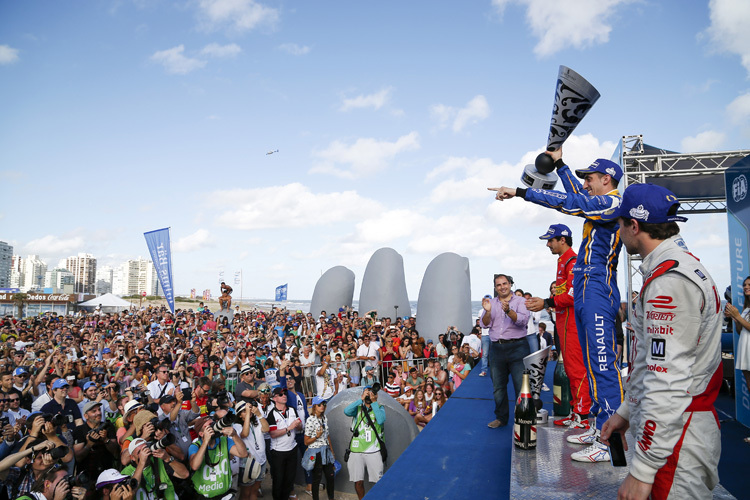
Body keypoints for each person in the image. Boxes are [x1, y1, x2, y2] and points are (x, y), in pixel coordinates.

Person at [491, 151, 624, 461]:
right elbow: (578, 197)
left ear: (607, 180)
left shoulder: (612, 204)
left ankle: (610, 444)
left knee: (602, 366)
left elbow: (572, 202)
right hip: (589, 290)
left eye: (589, 179)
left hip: (598, 289)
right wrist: (561, 165)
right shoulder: (601, 206)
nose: (585, 184)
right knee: (592, 367)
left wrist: (522, 192)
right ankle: (597, 426)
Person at [601, 183, 723, 498]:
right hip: (672, 431)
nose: (618, 230)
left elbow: (666, 380)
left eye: (620, 223)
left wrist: (642, 471)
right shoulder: (673, 268)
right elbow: (651, 362)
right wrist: (626, 412)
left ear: (634, 225)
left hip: (676, 437)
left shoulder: (669, 281)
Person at [526, 224, 591, 430]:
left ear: (562, 240)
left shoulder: (573, 261)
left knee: (577, 368)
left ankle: (582, 414)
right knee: (570, 369)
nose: (547, 244)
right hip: (564, 323)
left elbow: (573, 294)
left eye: (550, 240)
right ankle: (575, 411)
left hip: (572, 323)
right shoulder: (563, 261)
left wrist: (547, 303)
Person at [481, 274, 531, 428]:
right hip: (497, 349)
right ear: (495, 288)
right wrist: (488, 312)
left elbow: (522, 321)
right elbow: (484, 324)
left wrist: (509, 311)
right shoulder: (491, 303)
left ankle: (522, 419)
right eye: (498, 285)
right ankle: (501, 418)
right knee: (498, 387)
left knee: (520, 386)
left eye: (505, 283)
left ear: (510, 284)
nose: (502, 287)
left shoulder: (521, 301)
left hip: (518, 348)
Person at [188, 416, 248, 499]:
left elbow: (243, 454)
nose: (213, 428)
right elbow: (194, 466)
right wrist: (205, 442)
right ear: (201, 433)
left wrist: (235, 436)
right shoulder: (195, 446)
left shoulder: (224, 441)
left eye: (213, 424)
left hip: (225, 495)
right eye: (208, 427)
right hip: (204, 497)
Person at [344, 386, 386, 500]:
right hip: (356, 450)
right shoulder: (358, 408)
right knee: (358, 481)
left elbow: (381, 420)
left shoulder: (380, 407)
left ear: (376, 395)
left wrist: (374, 402)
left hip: (374, 450)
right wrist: (360, 399)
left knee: (379, 481)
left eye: (372, 393)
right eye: (367, 393)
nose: (369, 395)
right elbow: (346, 411)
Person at [265, 387, 301, 500]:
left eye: (285, 394)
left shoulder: (292, 410)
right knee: (278, 479)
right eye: (281, 395)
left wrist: (298, 425)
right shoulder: (271, 414)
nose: (284, 395)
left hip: (292, 448)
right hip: (278, 452)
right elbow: (273, 434)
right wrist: (289, 428)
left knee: (289, 479)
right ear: (274, 398)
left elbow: (300, 427)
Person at [724, 276, 750, 430]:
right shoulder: (746, 308)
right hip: (745, 350)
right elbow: (741, 331)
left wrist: (738, 316)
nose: (746, 287)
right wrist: (735, 318)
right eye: (744, 285)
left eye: (749, 285)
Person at [122, 437, 187, 500]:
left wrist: (167, 458)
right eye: (140, 452)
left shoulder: (158, 460)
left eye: (145, 448)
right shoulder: (126, 473)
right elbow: (130, 493)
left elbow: (185, 474)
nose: (144, 453)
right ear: (132, 457)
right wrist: (142, 462)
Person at [233, 401, 269, 500]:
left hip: (261, 460)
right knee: (245, 493)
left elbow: (266, 429)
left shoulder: (256, 420)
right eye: (244, 411)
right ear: (239, 415)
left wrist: (259, 415)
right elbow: (245, 434)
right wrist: (249, 414)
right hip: (247, 463)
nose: (248, 411)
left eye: (248, 409)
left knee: (255, 490)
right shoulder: (237, 425)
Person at [302, 396, 336, 500]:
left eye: (324, 404)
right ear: (314, 406)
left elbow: (328, 435)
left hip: (326, 451)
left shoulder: (325, 418)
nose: (322, 406)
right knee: (317, 478)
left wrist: (332, 451)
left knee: (330, 476)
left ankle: (331, 498)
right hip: (315, 452)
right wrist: (316, 436)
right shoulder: (310, 420)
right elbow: (306, 441)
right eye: (319, 404)